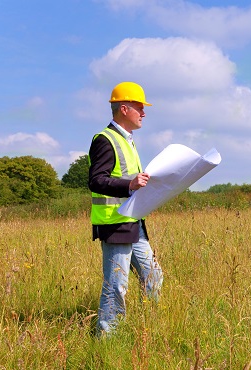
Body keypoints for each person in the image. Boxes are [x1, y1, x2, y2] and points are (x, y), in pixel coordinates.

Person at [88, 81, 163, 335]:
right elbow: (96, 180)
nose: (144, 112)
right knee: (116, 286)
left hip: (134, 223)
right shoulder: (105, 140)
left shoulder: (128, 140)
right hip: (115, 223)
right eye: (139, 107)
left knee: (153, 277)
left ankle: (149, 330)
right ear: (123, 108)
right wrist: (129, 184)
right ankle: (106, 339)